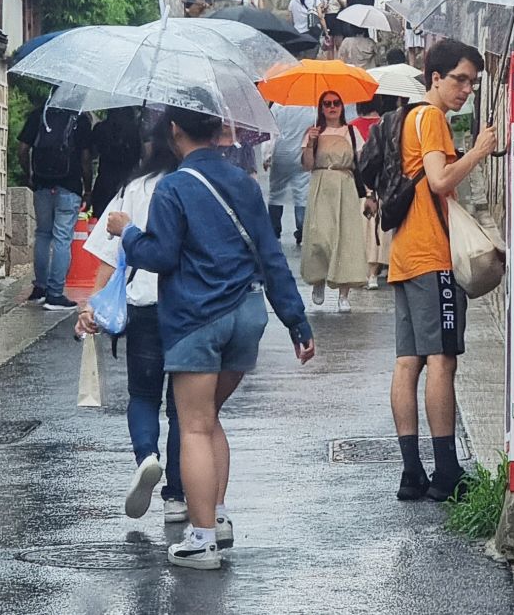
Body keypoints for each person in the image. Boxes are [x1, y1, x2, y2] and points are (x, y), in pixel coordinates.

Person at [107, 106, 315, 570]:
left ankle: (202, 541)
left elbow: (160, 255)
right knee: (211, 420)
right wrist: (297, 322)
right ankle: (216, 518)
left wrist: (128, 232)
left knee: (195, 426)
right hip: (247, 314)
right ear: (219, 129)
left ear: (175, 130)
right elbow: (272, 256)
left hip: (198, 317)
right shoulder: (243, 182)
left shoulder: (173, 186)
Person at [389, 39, 498, 501]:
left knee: (408, 361)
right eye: (459, 79)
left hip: (404, 255)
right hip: (432, 255)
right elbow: (438, 181)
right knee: (442, 360)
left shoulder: (406, 118)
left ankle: (412, 471)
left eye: (473, 82)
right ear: (434, 77)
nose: (466, 89)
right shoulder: (430, 117)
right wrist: (478, 151)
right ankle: (447, 470)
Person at [76, 112, 186, 524]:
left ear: (150, 147)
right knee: (183, 409)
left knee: (143, 396)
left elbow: (108, 258)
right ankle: (176, 497)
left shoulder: (131, 190)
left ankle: (147, 456)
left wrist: (93, 306)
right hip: (186, 308)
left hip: (141, 306)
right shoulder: (191, 186)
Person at [17, 103, 93, 311]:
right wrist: (88, 188)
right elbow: (86, 159)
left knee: (42, 234)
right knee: (62, 238)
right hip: (69, 187)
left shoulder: (39, 114)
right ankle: (55, 295)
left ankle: (40, 288)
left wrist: (29, 176)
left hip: (42, 184)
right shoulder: (80, 119)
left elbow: (23, 149)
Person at [300, 91, 368, 311]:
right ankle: (318, 279)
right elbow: (307, 165)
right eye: (327, 104)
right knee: (319, 235)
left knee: (346, 239)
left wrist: (369, 194)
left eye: (336, 103)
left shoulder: (352, 131)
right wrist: (310, 143)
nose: (332, 107)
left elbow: (362, 163)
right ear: (321, 108)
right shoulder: (313, 132)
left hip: (345, 186)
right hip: (321, 185)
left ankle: (343, 294)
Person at [349, 97, 396, 289]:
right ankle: (376, 272)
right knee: (380, 230)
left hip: (359, 183)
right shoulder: (387, 125)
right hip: (382, 182)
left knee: (362, 228)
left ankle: (363, 270)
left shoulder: (351, 127)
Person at [265, 103, 313, 246]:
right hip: (301, 154)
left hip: (280, 155)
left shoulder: (278, 106)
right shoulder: (310, 107)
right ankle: (302, 231)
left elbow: (270, 133)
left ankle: (274, 231)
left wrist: (266, 156)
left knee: (276, 194)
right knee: (302, 193)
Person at [90, 107, 142, 219]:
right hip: (127, 183)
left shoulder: (101, 128)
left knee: (101, 221)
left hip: (104, 182)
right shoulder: (136, 131)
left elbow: (93, 154)